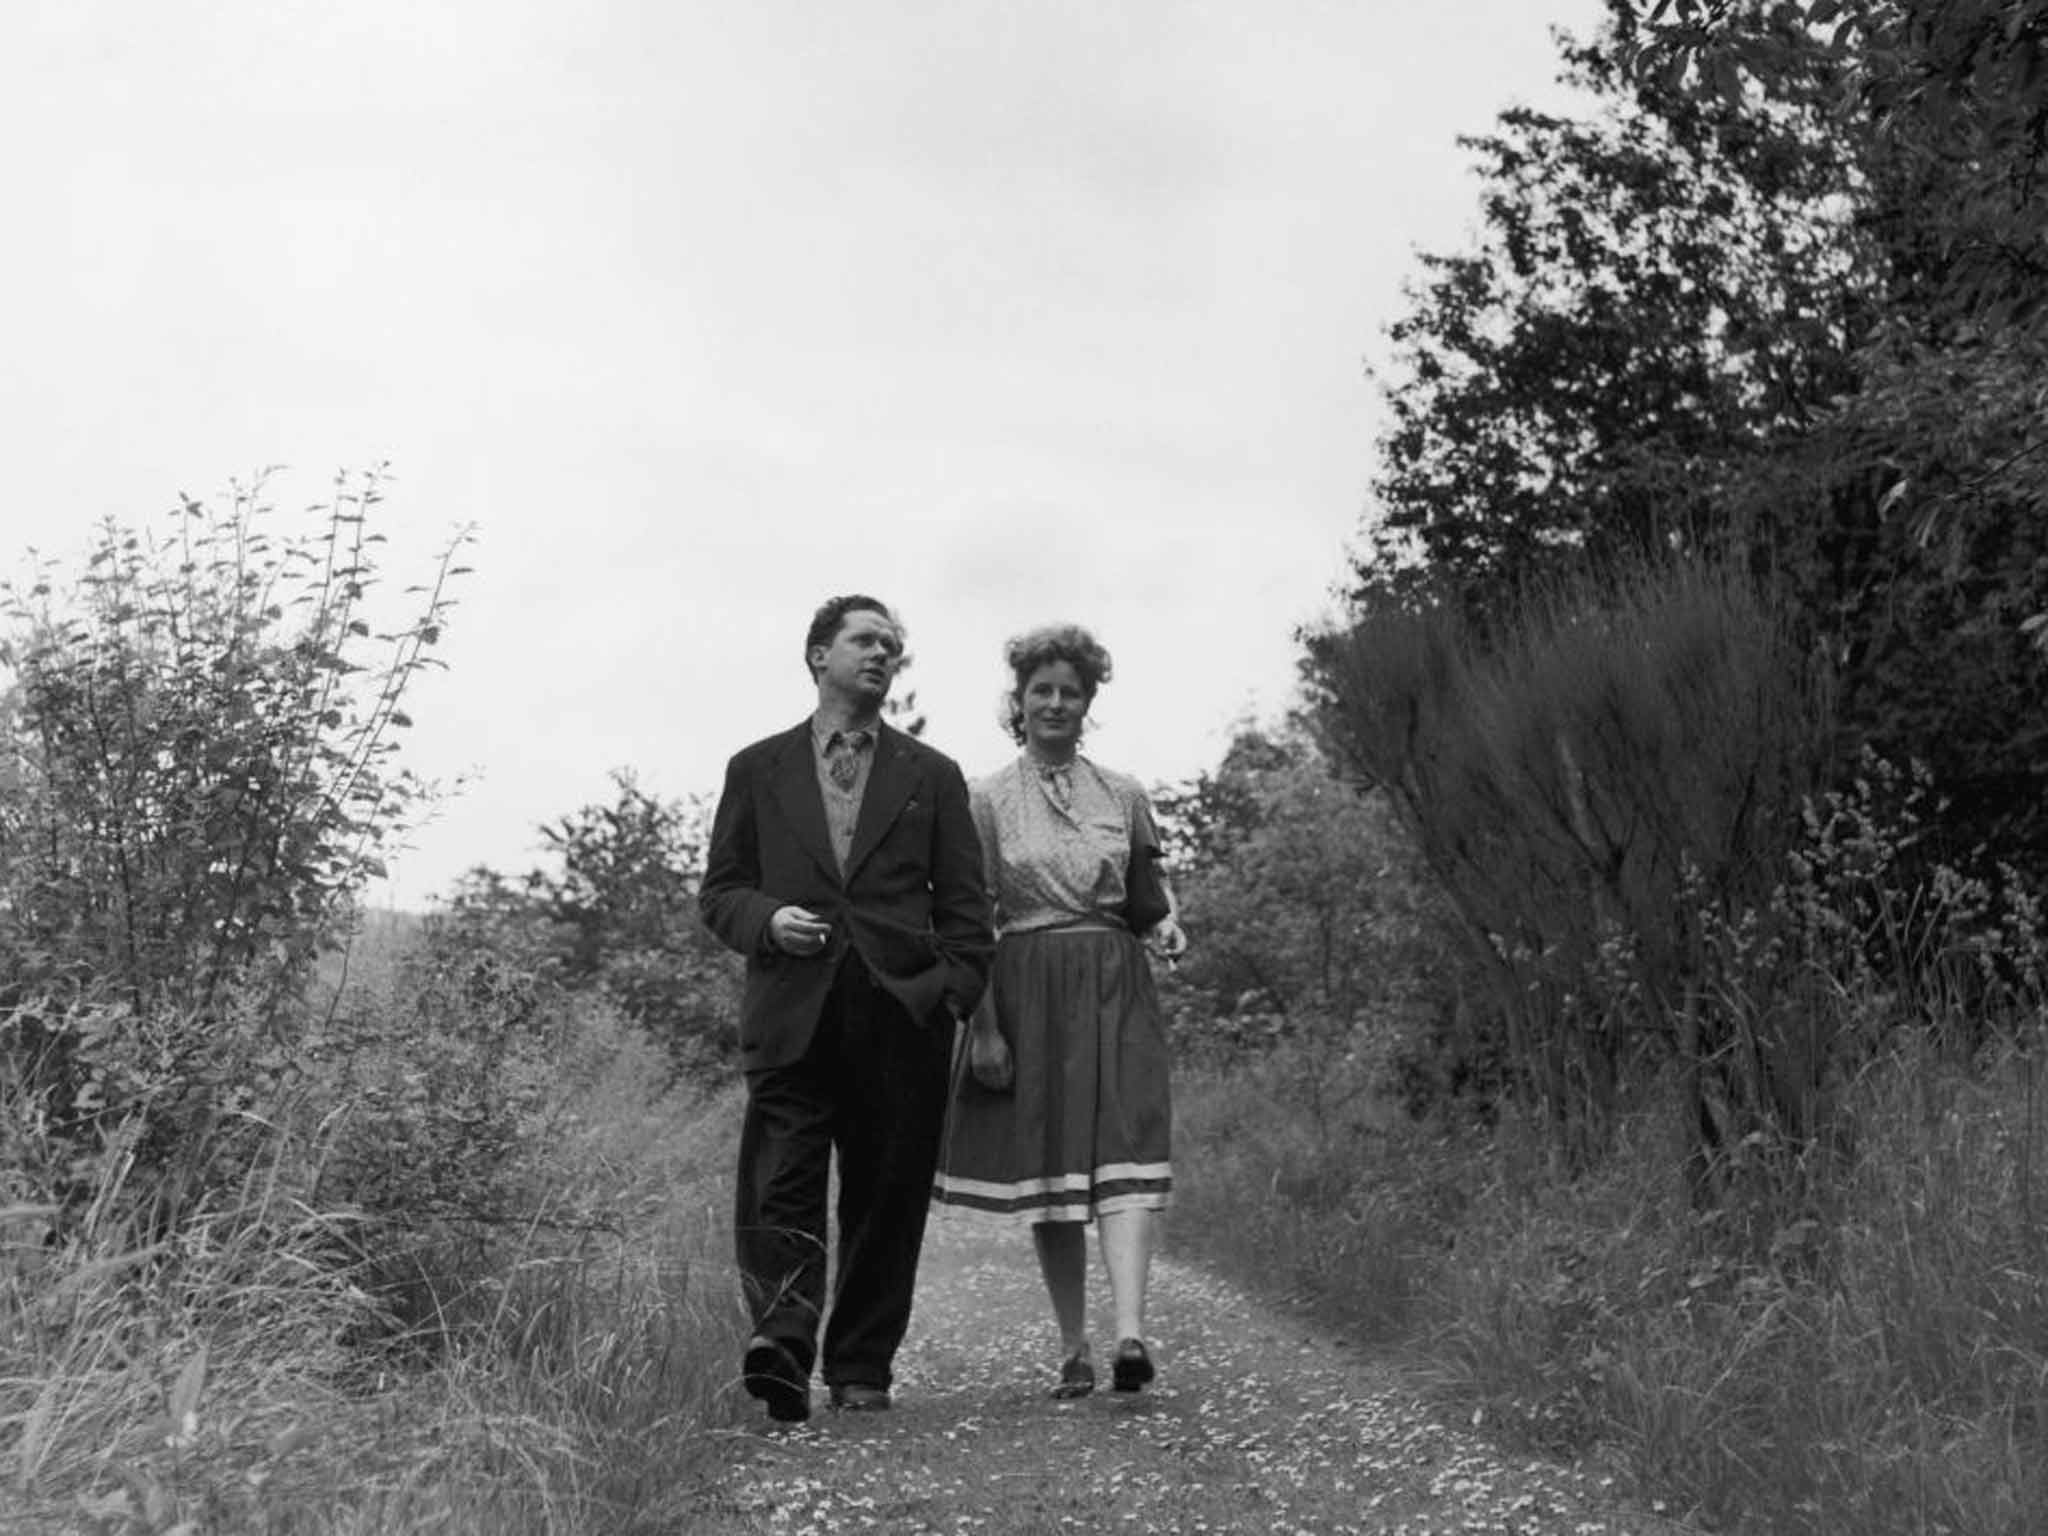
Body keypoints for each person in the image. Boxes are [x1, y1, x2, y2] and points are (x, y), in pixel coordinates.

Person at [701, 594, 994, 1423]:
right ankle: (785, 1345)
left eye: (893, 645)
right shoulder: (755, 768)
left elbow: (968, 912)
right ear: (818, 655)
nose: (883, 653)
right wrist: (766, 921)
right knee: (781, 1185)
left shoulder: (931, 776)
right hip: (790, 1010)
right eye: (865, 640)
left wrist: (950, 997)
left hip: (902, 1015)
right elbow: (721, 893)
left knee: (885, 1194)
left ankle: (862, 1365)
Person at [931, 622, 1188, 1399]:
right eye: (1040, 690)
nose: (1054, 703)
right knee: (1053, 1172)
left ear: (1088, 703)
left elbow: (1146, 896)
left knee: (1127, 1148)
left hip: (1115, 980)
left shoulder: (1125, 793)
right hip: (1029, 982)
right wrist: (983, 1027)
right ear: (1019, 701)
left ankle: (1131, 1336)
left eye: (1069, 692)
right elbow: (971, 918)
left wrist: (1167, 922)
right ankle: (1074, 1345)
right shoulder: (984, 799)